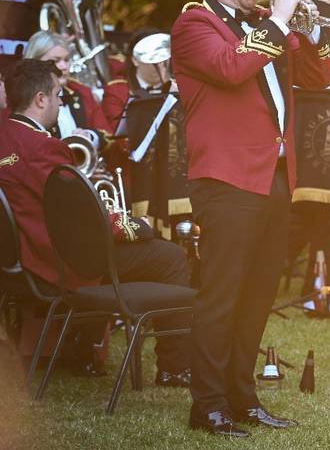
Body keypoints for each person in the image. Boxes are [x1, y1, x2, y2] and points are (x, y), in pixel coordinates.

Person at [171, 0, 330, 437]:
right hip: (225, 178)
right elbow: (230, 67)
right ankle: (208, 405)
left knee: (259, 293)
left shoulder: (263, 25)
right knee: (222, 294)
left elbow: (319, 77)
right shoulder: (195, 23)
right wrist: (281, 21)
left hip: (273, 176)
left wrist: (312, 28)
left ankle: (242, 396)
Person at [0, 59, 191, 383]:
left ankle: (84, 344)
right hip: (60, 262)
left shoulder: (5, 136)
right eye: (58, 94)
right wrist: (136, 226)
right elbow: (83, 223)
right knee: (170, 257)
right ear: (41, 99)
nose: (61, 102)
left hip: (23, 259)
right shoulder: (44, 148)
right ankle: (174, 367)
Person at [22, 30, 112, 140]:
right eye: (55, 61)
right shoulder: (21, 97)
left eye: (67, 59)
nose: (64, 66)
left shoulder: (83, 93)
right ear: (34, 62)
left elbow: (107, 134)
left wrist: (90, 136)